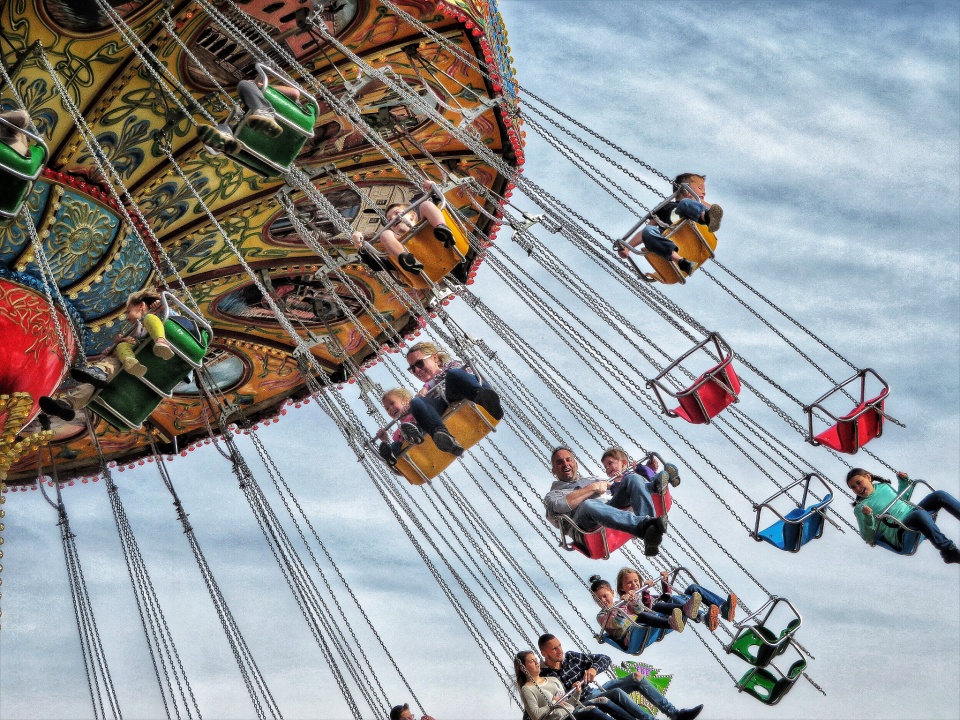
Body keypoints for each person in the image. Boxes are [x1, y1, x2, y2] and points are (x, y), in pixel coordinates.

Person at [38, 290, 175, 421]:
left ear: (142, 305)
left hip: (157, 352)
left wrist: (161, 306)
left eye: (128, 312)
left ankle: (160, 342)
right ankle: (67, 404)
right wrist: (112, 350)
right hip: (134, 363)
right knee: (96, 377)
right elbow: (134, 343)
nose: (127, 317)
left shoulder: (158, 314)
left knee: (145, 323)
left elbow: (177, 318)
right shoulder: (134, 331)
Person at [537, 634, 703, 720]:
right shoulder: (544, 676)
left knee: (637, 677)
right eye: (554, 649)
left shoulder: (571, 657)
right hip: (581, 704)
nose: (560, 651)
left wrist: (594, 668)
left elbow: (604, 658)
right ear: (544, 653)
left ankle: (676, 714)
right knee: (615, 693)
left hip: (596, 691)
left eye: (559, 646)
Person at [544, 447, 667, 556]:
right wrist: (592, 488)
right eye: (559, 462)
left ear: (576, 464)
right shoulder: (553, 495)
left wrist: (646, 472)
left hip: (609, 508)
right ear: (554, 470)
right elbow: (560, 506)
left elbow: (619, 487)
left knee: (632, 478)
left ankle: (651, 529)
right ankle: (643, 526)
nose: (565, 464)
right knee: (588, 504)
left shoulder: (594, 479)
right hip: (583, 526)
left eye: (568, 460)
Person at [403, 341, 503, 457]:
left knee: (453, 374)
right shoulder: (425, 395)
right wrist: (407, 413)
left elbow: (457, 372)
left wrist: (428, 386)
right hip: (443, 405)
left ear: (435, 358)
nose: (417, 370)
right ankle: (441, 435)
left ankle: (485, 400)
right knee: (416, 402)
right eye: (412, 369)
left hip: (460, 392)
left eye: (419, 364)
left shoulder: (452, 366)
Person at [846, 468, 960, 564]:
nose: (857, 488)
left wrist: (903, 482)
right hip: (901, 533)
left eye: (859, 482)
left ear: (868, 477)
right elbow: (867, 536)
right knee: (918, 514)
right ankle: (948, 551)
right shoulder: (860, 508)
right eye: (853, 487)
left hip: (914, 515)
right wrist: (868, 517)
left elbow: (902, 501)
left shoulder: (883, 487)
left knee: (939, 495)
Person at [618, 173, 722, 276]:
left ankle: (707, 217)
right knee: (648, 230)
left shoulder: (694, 205)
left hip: (693, 235)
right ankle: (682, 262)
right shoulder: (665, 207)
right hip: (671, 242)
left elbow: (714, 209)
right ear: (684, 189)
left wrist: (699, 202)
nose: (704, 193)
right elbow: (646, 230)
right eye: (700, 188)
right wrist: (627, 247)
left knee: (686, 204)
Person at [350, 182, 455, 275]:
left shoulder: (428, 221)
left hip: (448, 246)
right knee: (385, 234)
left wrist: (433, 188)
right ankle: (406, 259)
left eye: (397, 213)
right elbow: (377, 265)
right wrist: (359, 245)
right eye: (389, 219)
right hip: (424, 269)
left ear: (413, 215)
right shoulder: (394, 243)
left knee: (425, 205)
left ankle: (442, 229)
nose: (394, 218)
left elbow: (438, 205)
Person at [616, 567, 736, 634]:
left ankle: (723, 608)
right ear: (622, 587)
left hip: (669, 608)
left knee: (692, 588)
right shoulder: (627, 602)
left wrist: (665, 581)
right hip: (659, 616)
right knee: (671, 600)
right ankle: (703, 617)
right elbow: (646, 608)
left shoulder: (647, 594)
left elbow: (666, 595)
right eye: (629, 582)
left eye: (636, 581)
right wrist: (644, 592)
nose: (634, 584)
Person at [199, 77, 303, 153]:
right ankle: (225, 138)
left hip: (281, 122)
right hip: (269, 141)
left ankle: (266, 114)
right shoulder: (294, 145)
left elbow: (295, 93)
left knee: (244, 84)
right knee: (227, 127)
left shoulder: (302, 111)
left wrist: (260, 86)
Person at [515, 650, 621, 720]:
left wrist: (577, 692)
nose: (537, 663)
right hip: (561, 718)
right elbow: (535, 715)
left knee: (603, 700)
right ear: (523, 668)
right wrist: (554, 702)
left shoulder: (553, 680)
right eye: (532, 661)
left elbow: (569, 704)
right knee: (591, 710)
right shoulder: (527, 689)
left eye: (536, 660)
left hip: (572, 712)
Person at [590, 576, 689, 646]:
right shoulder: (602, 616)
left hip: (641, 626)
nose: (603, 600)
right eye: (598, 599)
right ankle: (670, 624)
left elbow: (640, 609)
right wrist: (623, 604)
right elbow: (618, 623)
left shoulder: (623, 602)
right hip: (629, 636)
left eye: (604, 596)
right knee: (642, 616)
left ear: (612, 592)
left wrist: (633, 599)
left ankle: (685, 609)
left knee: (656, 606)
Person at [599, 448, 680, 501]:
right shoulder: (614, 484)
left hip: (650, 489)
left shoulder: (635, 472)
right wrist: (618, 481)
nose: (607, 468)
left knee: (656, 476)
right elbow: (617, 496)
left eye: (610, 463)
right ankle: (662, 481)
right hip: (636, 496)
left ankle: (670, 477)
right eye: (605, 466)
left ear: (623, 463)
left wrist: (639, 467)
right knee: (633, 479)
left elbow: (649, 475)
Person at [375, 387, 425, 465]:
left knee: (416, 425)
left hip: (424, 435)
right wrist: (385, 440)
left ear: (406, 401)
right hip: (413, 452)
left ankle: (415, 435)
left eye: (392, 403)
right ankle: (390, 458)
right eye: (387, 409)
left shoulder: (415, 411)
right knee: (395, 445)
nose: (390, 409)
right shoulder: (397, 433)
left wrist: (411, 407)